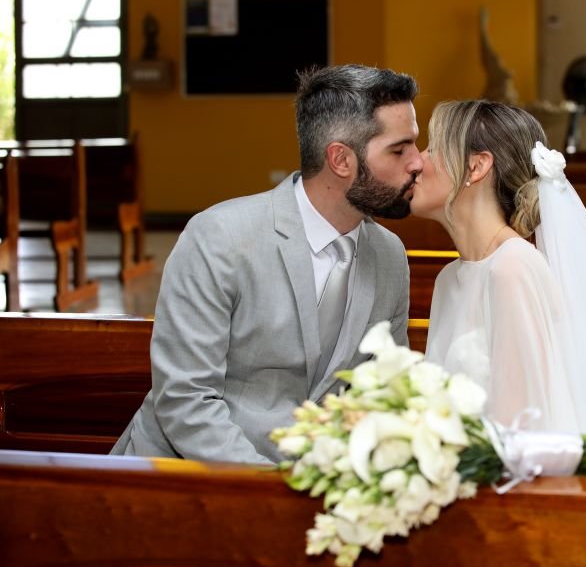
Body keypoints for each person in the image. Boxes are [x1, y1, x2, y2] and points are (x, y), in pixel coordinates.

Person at [111, 65, 423, 464]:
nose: (418, 162)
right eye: (399, 149)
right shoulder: (220, 237)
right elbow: (185, 400)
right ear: (341, 160)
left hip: (316, 485)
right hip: (185, 476)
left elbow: (386, 391)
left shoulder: (389, 255)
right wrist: (274, 489)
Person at [410, 100, 586, 480]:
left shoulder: (512, 268)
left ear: (476, 166)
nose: (417, 162)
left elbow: (521, 433)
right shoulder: (449, 278)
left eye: (432, 148)